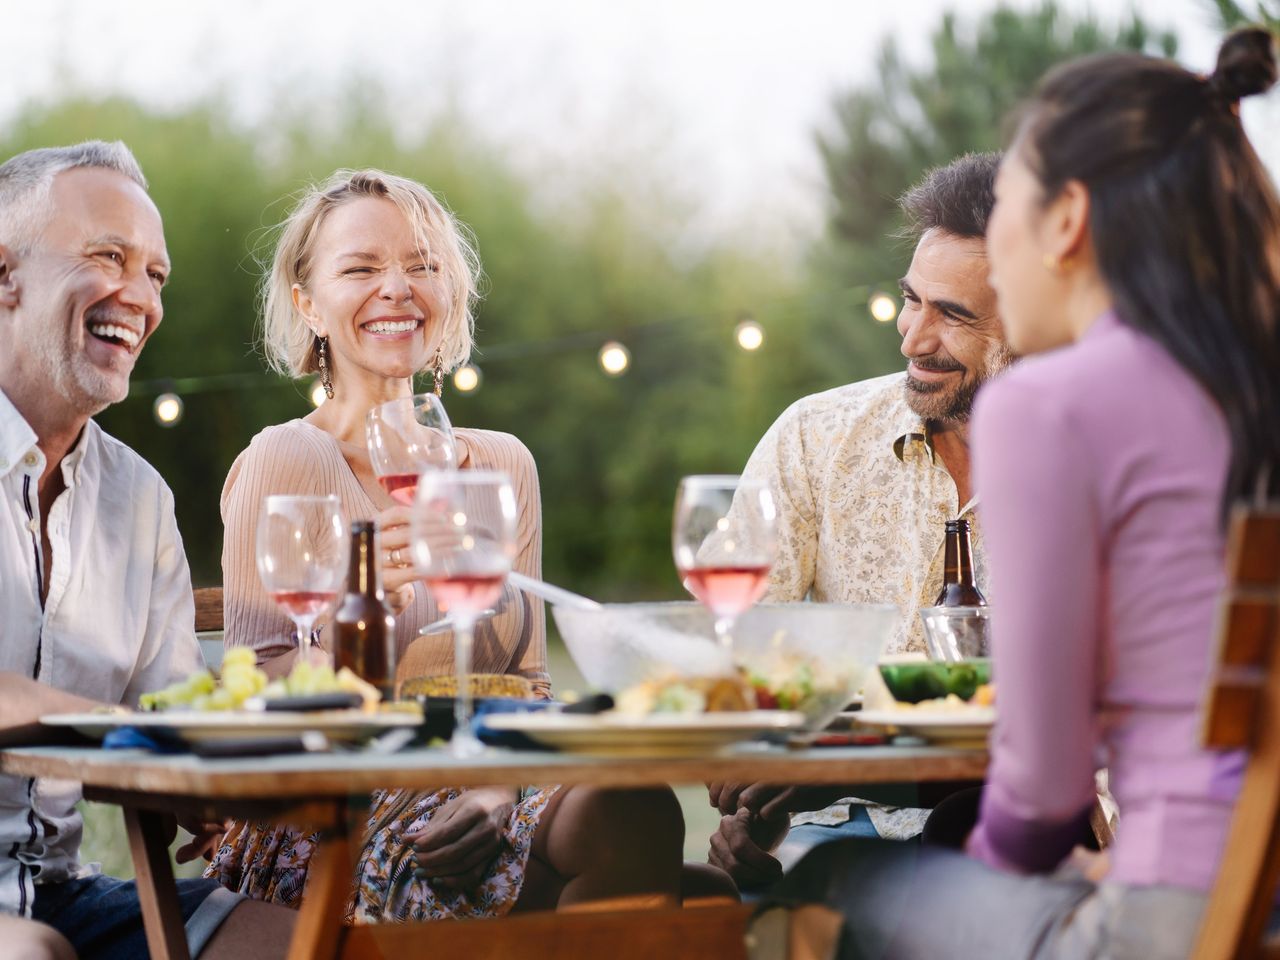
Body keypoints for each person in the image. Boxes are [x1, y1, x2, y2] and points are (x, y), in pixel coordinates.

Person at [767, 27, 1280, 959]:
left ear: (1067, 219)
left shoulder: (1052, 404)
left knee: (826, 883)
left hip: (1168, 919)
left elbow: (1042, 791)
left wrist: (1019, 858)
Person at [205, 168, 684, 920]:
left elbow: (522, 680)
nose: (397, 286)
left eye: (422, 265)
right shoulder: (287, 457)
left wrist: (491, 782)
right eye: (361, 268)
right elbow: (264, 678)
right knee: (644, 852)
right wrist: (359, 615)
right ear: (308, 305)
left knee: (642, 810)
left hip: (485, 779)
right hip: (335, 808)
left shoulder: (500, 468)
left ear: (450, 294)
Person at [0, 141, 295, 959]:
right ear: (5, 275)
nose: (139, 297)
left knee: (297, 942)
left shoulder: (139, 499)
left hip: (59, 890)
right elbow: (127, 728)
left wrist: (204, 785)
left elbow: (166, 715)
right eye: (108, 257)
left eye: (156, 275)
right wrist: (119, 730)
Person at [705, 153, 1013, 888]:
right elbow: (743, 659)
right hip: (827, 831)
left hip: (1023, 842)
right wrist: (757, 794)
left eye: (953, 315)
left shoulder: (1096, 467)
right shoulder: (816, 436)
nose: (911, 337)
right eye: (912, 300)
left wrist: (844, 764)